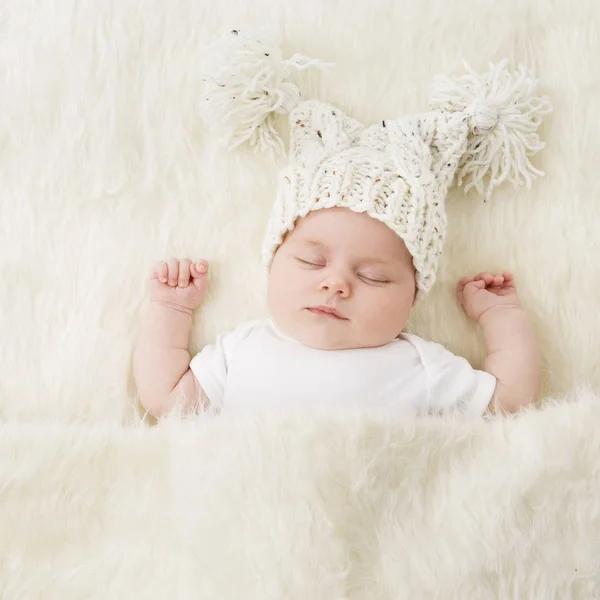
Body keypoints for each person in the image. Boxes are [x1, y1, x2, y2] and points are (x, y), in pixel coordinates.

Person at [133, 36, 550, 419]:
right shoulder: (244, 350)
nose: (335, 284)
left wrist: (501, 316)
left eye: (374, 276)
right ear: (274, 261)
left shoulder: (418, 365)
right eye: (312, 261)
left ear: (413, 297)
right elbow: (167, 401)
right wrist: (170, 311)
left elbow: (509, 403)